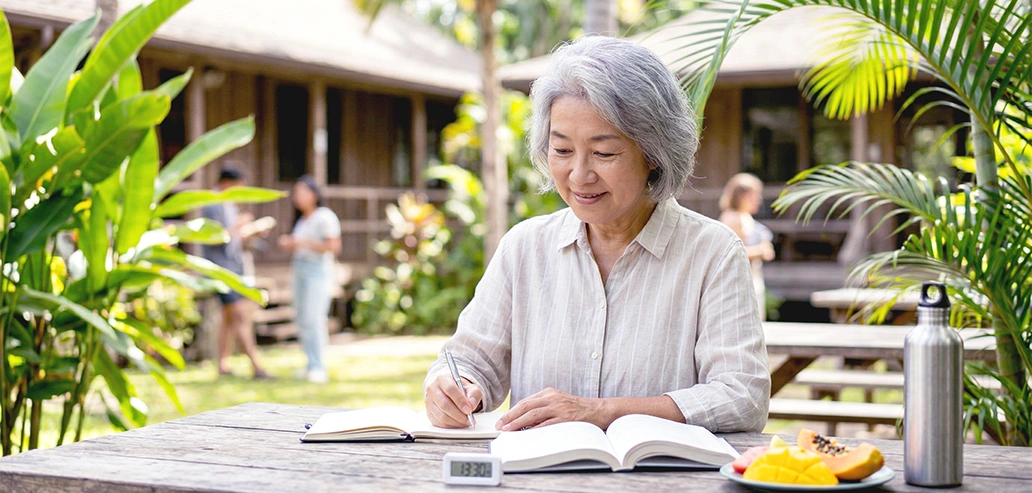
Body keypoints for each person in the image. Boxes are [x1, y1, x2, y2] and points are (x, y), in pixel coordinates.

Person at [423, 36, 770, 433]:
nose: (579, 175)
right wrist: (452, 387)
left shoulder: (712, 251)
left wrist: (603, 412)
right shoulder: (524, 247)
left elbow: (743, 397)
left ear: (654, 154)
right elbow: (468, 362)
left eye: (604, 153)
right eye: (562, 150)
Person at [202, 167, 270, 379]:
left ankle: (223, 365)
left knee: (229, 317)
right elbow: (213, 237)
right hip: (220, 269)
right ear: (227, 184)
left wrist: (250, 232)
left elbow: (234, 241)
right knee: (240, 313)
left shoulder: (229, 205)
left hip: (234, 267)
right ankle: (256, 366)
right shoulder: (212, 205)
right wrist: (237, 226)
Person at [278, 176, 341, 384]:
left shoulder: (324, 216)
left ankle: (318, 366)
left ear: (314, 194)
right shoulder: (302, 219)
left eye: (302, 192)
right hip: (300, 269)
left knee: (314, 319)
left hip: (318, 271)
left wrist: (302, 242)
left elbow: (333, 247)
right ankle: (309, 363)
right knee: (302, 318)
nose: (298, 197)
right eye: (296, 193)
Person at [719, 173, 775, 320]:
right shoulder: (731, 218)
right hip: (738, 283)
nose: (758, 200)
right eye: (753, 195)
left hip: (753, 276)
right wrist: (761, 250)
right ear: (741, 196)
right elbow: (733, 252)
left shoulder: (746, 217)